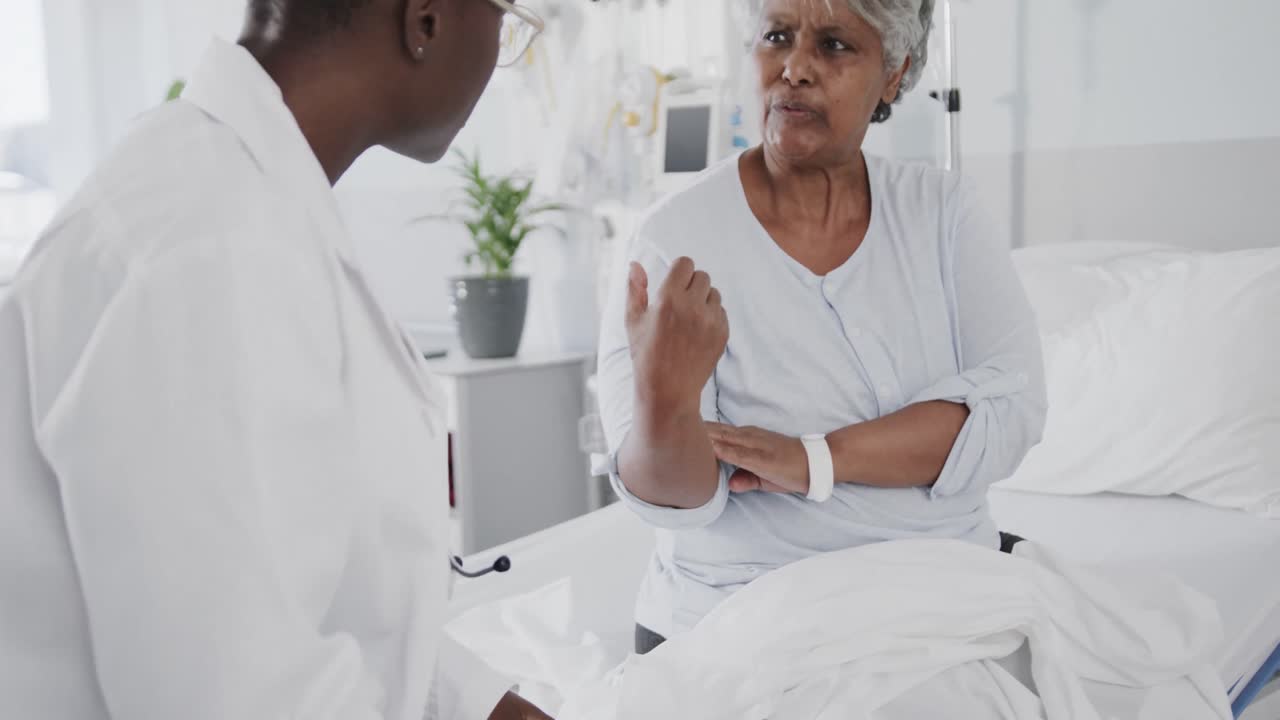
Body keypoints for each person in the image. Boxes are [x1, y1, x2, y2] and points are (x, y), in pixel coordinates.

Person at [0, 1, 552, 718]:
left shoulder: (240, 197)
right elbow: (238, 694)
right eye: (505, 17)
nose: (499, 47)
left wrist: (488, 707)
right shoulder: (213, 244)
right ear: (425, 19)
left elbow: (312, 606)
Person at [596, 0, 1048, 654]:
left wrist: (813, 460)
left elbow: (1009, 416)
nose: (796, 68)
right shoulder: (674, 241)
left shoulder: (942, 213)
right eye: (777, 36)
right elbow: (682, 502)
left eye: (835, 46)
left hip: (944, 597)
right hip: (740, 616)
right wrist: (663, 400)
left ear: (895, 73)